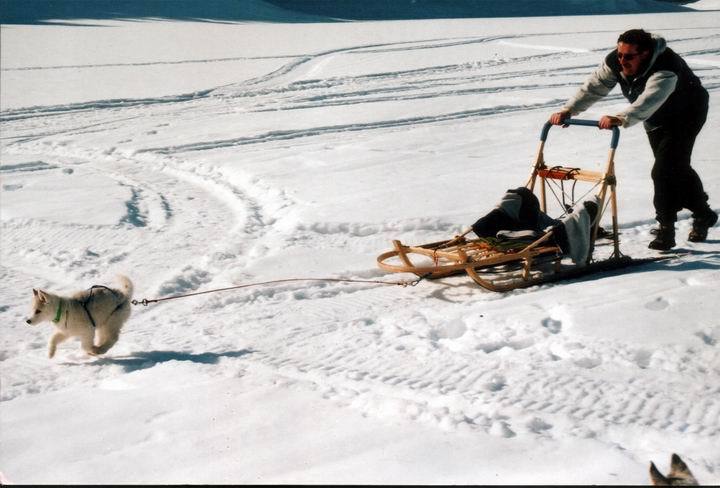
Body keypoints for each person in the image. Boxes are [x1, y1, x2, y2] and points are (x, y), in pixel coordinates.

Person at [549, 29, 716, 251]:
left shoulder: (667, 66)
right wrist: (569, 110)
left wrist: (621, 118)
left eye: (628, 57)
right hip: (655, 117)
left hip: (686, 114)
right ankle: (704, 214)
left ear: (645, 54)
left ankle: (666, 229)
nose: (621, 61)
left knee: (664, 170)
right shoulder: (616, 61)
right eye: (619, 54)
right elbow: (594, 87)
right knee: (675, 167)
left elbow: (650, 99)